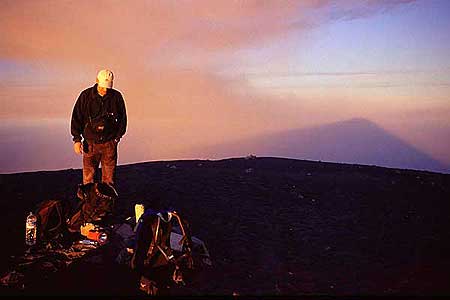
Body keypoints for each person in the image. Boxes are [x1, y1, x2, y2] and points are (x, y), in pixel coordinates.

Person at [71, 69, 127, 185]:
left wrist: (116, 139)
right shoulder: (85, 96)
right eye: (103, 86)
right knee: (88, 180)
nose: (105, 90)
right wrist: (77, 140)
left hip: (109, 144)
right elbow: (76, 117)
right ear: (97, 81)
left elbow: (123, 119)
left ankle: (107, 203)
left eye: (108, 87)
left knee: (109, 181)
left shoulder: (116, 97)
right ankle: (89, 203)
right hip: (90, 144)